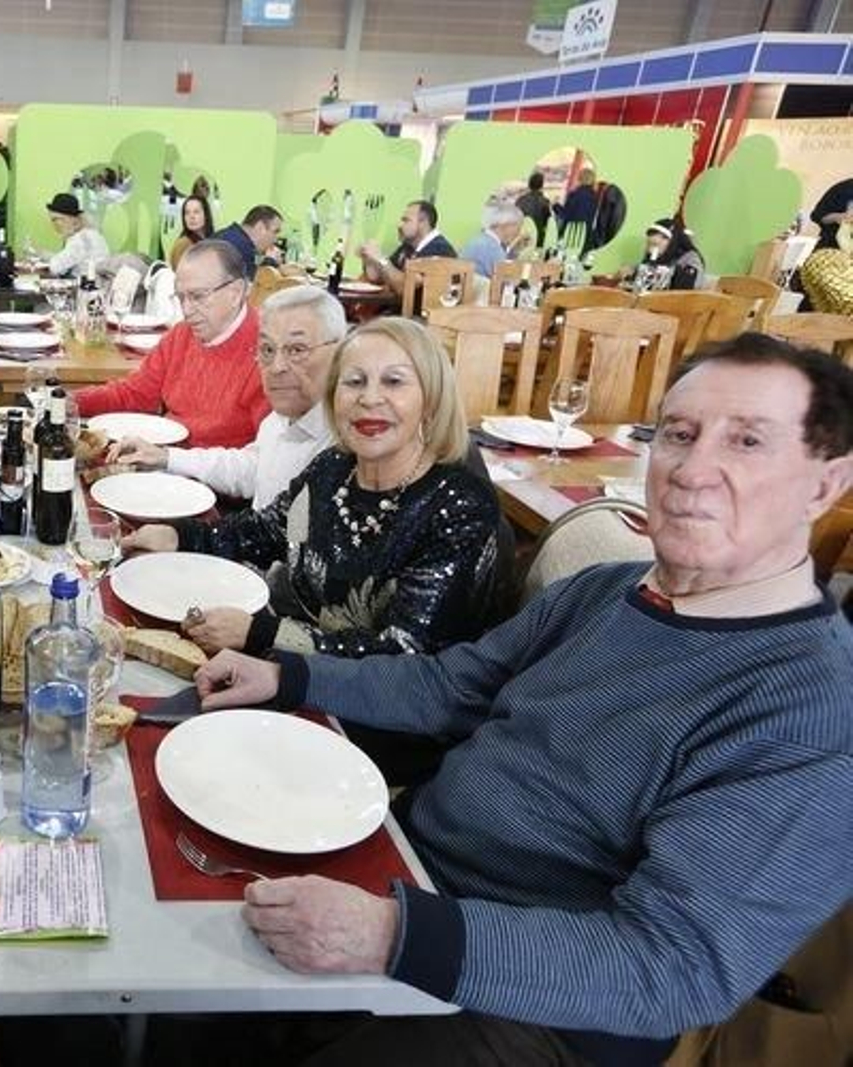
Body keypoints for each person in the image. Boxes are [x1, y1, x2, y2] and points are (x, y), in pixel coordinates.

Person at [194, 333, 853, 1066]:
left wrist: (393, 932)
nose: (694, 469)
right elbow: (450, 684)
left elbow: (672, 965)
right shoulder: (606, 592)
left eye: (748, 441)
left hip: (542, 1002)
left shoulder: (811, 709)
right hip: (414, 864)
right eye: (680, 433)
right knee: (183, 963)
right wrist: (290, 676)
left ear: (826, 483)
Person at [122, 316, 501, 660]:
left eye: (394, 381)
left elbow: (406, 654)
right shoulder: (335, 468)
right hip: (296, 672)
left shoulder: (460, 507)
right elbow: (268, 530)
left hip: (380, 722)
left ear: (431, 400)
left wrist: (263, 634)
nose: (369, 398)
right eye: (354, 382)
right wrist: (178, 535)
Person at [107, 285, 343, 509]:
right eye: (268, 350)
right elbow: (253, 469)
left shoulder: (350, 446)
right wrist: (165, 457)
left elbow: (291, 537)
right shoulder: (280, 419)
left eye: (297, 349)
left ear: (341, 353)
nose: (277, 366)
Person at [76, 239, 269, 449]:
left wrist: (174, 461)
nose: (187, 310)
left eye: (198, 296)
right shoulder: (181, 335)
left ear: (236, 292)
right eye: (181, 298)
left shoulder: (270, 355)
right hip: (165, 461)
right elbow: (135, 394)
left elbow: (262, 460)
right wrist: (71, 402)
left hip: (215, 476)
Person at [358, 200, 457, 298]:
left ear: (423, 223)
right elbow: (378, 277)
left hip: (421, 313)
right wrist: (370, 259)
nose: (399, 225)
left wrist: (381, 259)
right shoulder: (408, 246)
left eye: (406, 220)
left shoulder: (439, 250)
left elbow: (405, 289)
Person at [45, 192, 110, 277]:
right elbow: (64, 260)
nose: (54, 224)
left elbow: (55, 268)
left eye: (56, 219)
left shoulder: (80, 239)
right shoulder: (90, 234)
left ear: (72, 219)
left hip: (87, 287)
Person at [459, 198, 525, 280]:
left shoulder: (480, 239)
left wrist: (513, 250)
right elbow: (506, 279)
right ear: (506, 224)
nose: (519, 232)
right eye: (518, 226)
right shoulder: (491, 247)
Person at [213, 204, 284, 277]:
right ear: (260, 227)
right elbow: (253, 284)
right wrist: (271, 262)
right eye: (275, 232)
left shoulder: (230, 235)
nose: (275, 239)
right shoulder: (240, 246)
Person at [638, 217, 705, 291]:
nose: (653, 248)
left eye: (664, 238)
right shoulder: (658, 255)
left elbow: (691, 286)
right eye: (650, 244)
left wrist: (663, 273)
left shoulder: (690, 258)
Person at [168, 194, 215, 269]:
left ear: (206, 215)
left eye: (196, 212)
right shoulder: (183, 244)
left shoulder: (212, 242)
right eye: (187, 213)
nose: (191, 216)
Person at [514, 171, 551, 247]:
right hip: (538, 239)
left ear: (529, 185)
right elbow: (548, 222)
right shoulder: (545, 202)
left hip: (522, 238)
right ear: (541, 185)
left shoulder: (520, 200)